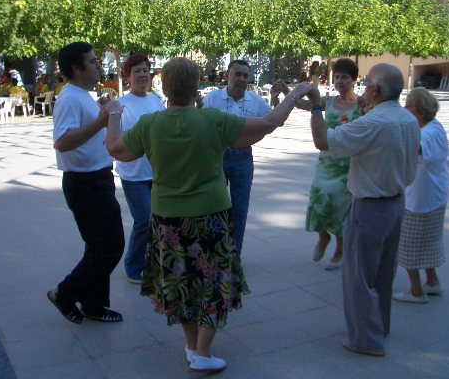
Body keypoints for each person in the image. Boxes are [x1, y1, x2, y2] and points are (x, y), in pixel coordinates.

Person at [105, 57, 312, 373]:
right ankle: (201, 351)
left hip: (167, 222)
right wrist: (295, 94)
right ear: (196, 87)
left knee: (181, 286)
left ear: (165, 87)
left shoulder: (150, 125)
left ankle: (192, 346)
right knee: (215, 286)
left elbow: (116, 149)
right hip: (210, 219)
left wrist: (115, 114)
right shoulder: (214, 121)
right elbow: (270, 123)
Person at [308, 63, 420, 357]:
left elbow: (323, 141)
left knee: (359, 277)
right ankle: (379, 326)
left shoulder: (373, 123)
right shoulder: (407, 119)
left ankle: (365, 340)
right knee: (383, 274)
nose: (363, 87)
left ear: (375, 89)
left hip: (370, 207)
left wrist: (317, 108)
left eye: (367, 82)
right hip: (396, 204)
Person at [47, 41, 125, 325]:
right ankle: (65, 293)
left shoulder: (82, 95)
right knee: (111, 245)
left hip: (96, 179)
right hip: (86, 183)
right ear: (76, 69)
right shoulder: (69, 98)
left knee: (98, 246)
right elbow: (62, 142)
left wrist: (100, 111)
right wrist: (102, 120)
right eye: (91, 62)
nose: (98, 65)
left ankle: (94, 304)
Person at [202, 60, 277, 255]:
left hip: (243, 158)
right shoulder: (212, 99)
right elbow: (201, 125)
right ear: (228, 76)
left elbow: (272, 121)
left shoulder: (255, 101)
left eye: (245, 75)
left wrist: (276, 100)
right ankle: (213, 253)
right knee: (213, 208)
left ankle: (234, 256)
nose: (242, 79)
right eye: (238, 74)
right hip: (216, 157)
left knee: (240, 211)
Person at [295, 58, 363, 270]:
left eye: (345, 77)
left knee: (342, 210)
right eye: (338, 77)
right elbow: (308, 105)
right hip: (326, 163)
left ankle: (340, 251)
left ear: (354, 80)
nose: (340, 81)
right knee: (318, 201)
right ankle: (323, 237)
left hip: (347, 167)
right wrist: (288, 92)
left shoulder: (361, 105)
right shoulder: (330, 101)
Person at [393, 87, 448, 304]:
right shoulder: (433, 127)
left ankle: (416, 291)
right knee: (427, 242)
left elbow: (415, 148)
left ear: (421, 111)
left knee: (408, 246)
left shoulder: (429, 133)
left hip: (421, 200)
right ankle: (432, 281)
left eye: (409, 106)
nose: (405, 109)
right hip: (431, 196)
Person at [116, 54, 165, 284]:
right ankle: (133, 266)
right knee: (144, 220)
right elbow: (116, 140)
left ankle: (153, 262)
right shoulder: (122, 105)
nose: (143, 74)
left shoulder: (156, 100)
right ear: (128, 76)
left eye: (146, 70)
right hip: (133, 174)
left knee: (158, 221)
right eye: (137, 71)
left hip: (157, 173)